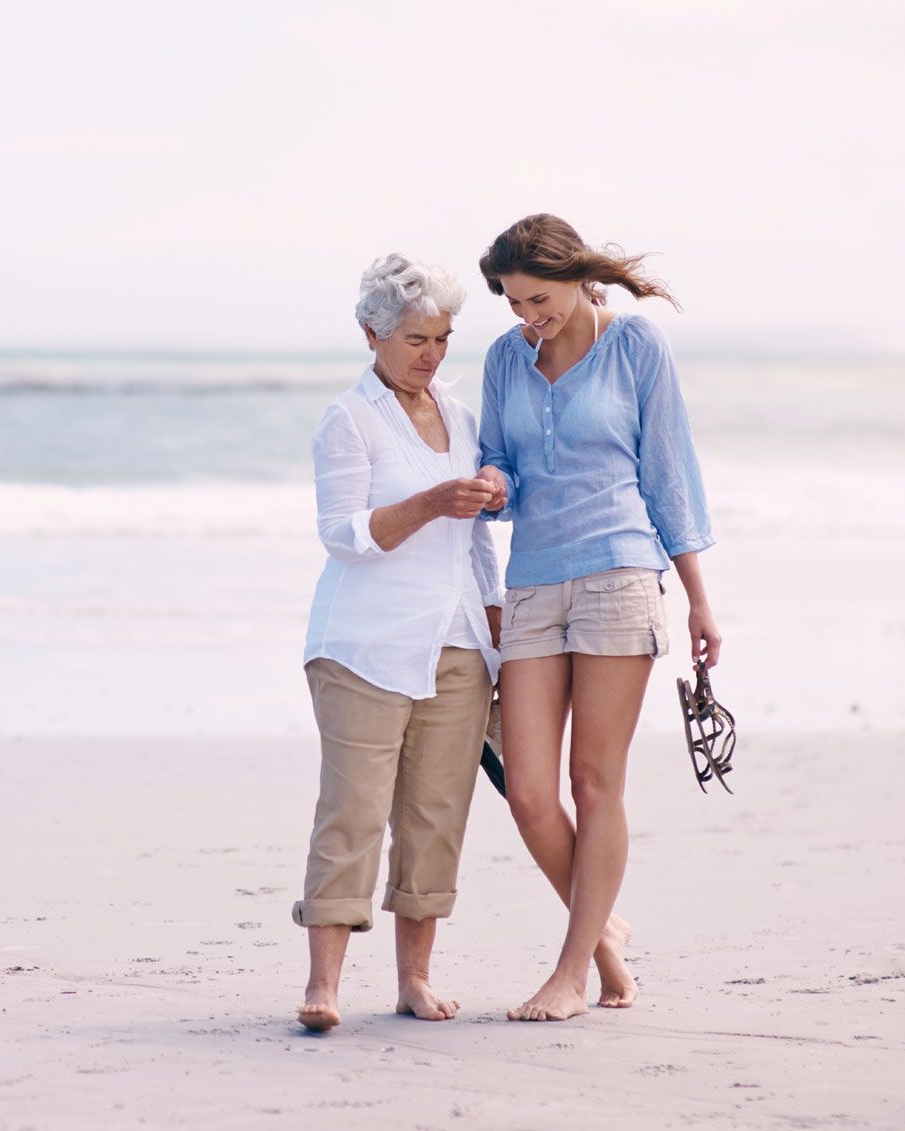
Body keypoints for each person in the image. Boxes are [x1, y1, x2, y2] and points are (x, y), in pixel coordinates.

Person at [474, 213, 720, 1022]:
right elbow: (501, 457)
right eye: (513, 303)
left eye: (537, 299)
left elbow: (667, 470)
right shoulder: (505, 359)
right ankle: (608, 950)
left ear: (581, 278)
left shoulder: (636, 346)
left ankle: (572, 973)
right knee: (530, 792)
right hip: (535, 582)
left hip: (620, 571)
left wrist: (697, 597)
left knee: (595, 780)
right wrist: (493, 478)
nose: (526, 318)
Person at [293, 253, 506, 1031]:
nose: (432, 354)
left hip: (456, 645)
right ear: (371, 332)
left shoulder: (459, 414)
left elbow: (479, 542)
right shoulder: (348, 420)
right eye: (417, 337)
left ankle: (415, 978)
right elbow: (343, 535)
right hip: (363, 647)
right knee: (352, 811)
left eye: (444, 337)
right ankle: (323, 984)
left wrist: (496, 633)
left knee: (436, 815)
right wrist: (430, 502)